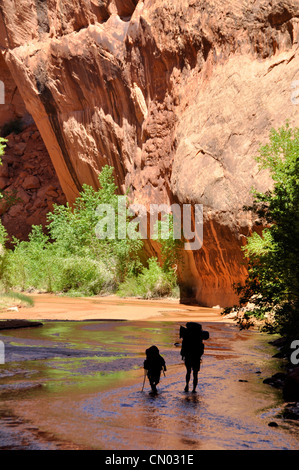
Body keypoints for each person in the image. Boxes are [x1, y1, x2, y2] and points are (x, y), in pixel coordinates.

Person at [180, 322, 209, 393]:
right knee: (195, 374)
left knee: (188, 372)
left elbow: (183, 348)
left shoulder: (186, 336)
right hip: (196, 357)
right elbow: (201, 348)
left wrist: (183, 355)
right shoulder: (199, 336)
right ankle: (194, 389)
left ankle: (186, 386)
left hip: (188, 356)